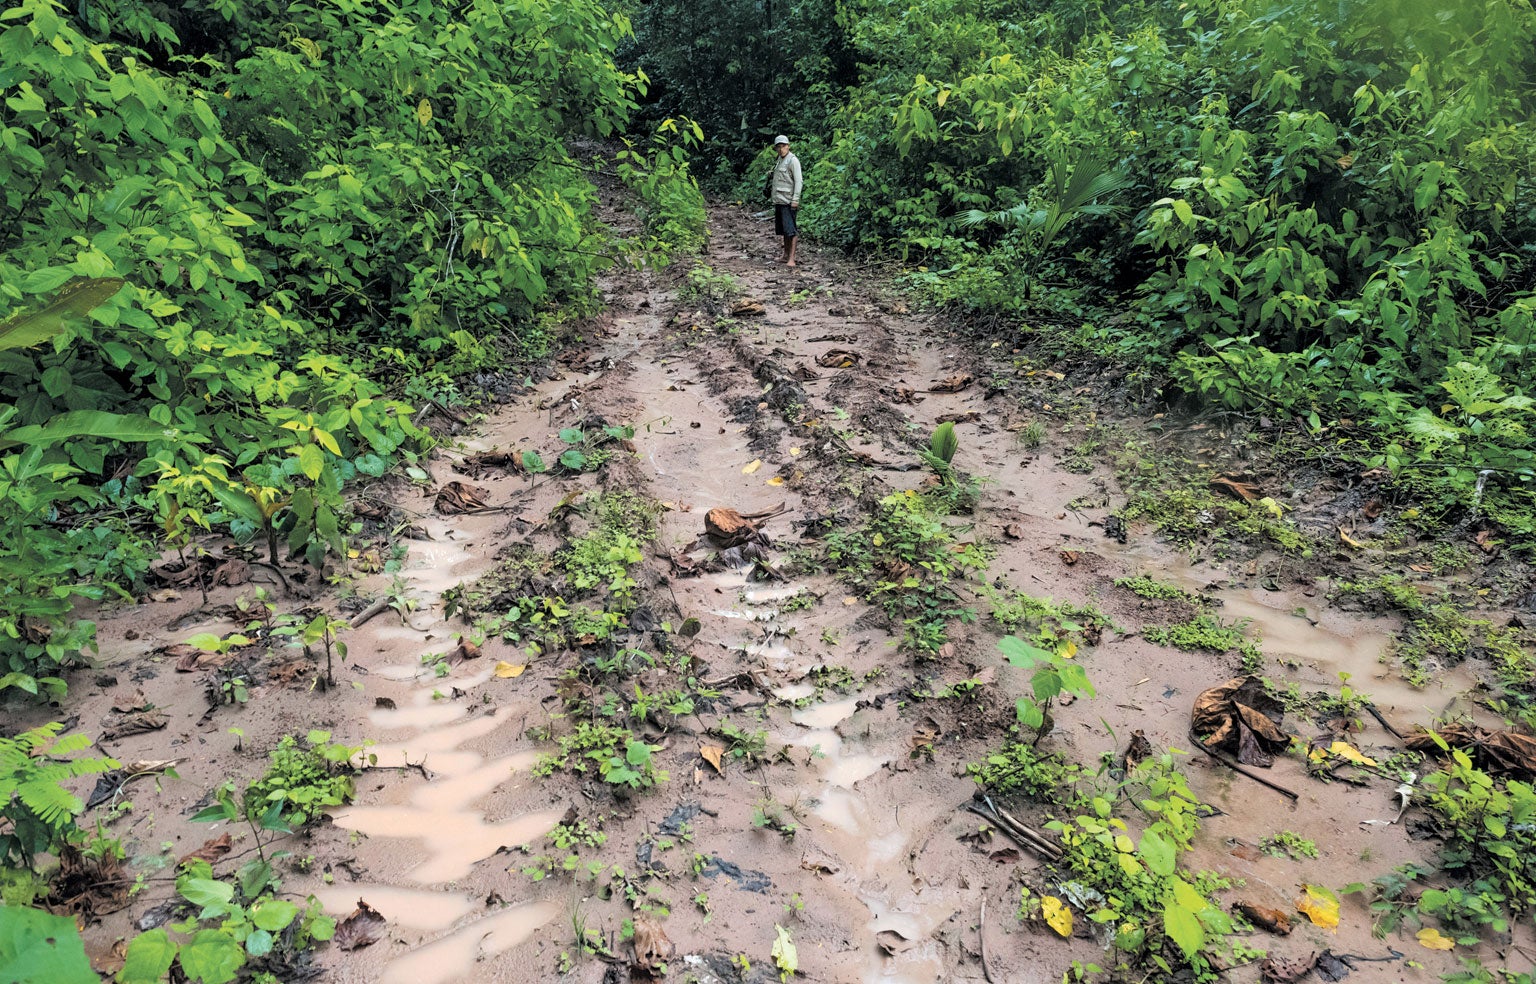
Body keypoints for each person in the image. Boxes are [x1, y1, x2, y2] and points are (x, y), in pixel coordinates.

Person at [769, 135, 802, 267]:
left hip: (788, 201)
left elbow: (799, 181)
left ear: (788, 146)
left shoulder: (793, 161)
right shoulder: (779, 161)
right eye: (779, 147)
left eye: (783, 146)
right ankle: (785, 255)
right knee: (783, 230)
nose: (781, 149)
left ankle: (792, 259)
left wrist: (795, 199)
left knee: (791, 230)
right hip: (779, 200)